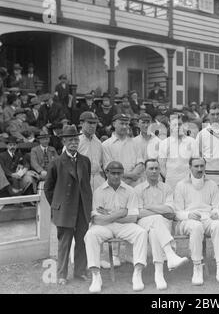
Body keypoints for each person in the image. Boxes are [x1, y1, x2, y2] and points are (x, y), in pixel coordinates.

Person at [84, 161, 148, 293]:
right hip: (104, 227)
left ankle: (137, 274)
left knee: (141, 233)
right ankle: (96, 276)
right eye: (113, 173)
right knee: (90, 235)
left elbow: (132, 217)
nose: (116, 176)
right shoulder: (98, 191)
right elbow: (97, 219)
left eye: (119, 173)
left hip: (124, 225)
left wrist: (108, 214)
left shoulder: (130, 191)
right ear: (106, 173)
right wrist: (120, 213)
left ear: (122, 174)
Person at [44, 125, 92, 285]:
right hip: (64, 210)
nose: (74, 142)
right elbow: (48, 188)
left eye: (76, 139)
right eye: (70, 139)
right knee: (64, 243)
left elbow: (86, 185)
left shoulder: (85, 161)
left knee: (82, 242)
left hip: (82, 209)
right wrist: (57, 205)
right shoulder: (56, 162)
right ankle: (61, 275)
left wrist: (87, 205)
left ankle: (80, 272)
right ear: (64, 141)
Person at [174, 157, 219, 288]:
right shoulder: (181, 185)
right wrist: (189, 214)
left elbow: (218, 206)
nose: (199, 169)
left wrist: (217, 213)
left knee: (217, 225)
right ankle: (197, 267)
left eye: (202, 166)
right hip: (187, 221)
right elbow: (176, 212)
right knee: (196, 226)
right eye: (196, 166)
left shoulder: (211, 184)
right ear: (190, 167)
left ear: (205, 167)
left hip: (207, 218)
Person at [134, 159, 188, 290]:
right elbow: (138, 213)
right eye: (151, 168)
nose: (154, 171)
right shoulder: (138, 189)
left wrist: (149, 207)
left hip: (162, 225)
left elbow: (169, 210)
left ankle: (159, 273)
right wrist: (159, 210)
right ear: (145, 171)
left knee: (154, 232)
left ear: (159, 170)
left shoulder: (167, 188)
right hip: (143, 223)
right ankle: (169, 254)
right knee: (157, 218)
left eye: (156, 168)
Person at [102, 114, 145, 189]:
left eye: (126, 124)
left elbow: (140, 164)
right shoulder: (106, 145)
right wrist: (131, 176)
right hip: (116, 187)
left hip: (135, 187)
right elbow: (108, 169)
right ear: (114, 124)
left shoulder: (135, 143)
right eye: (122, 123)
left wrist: (129, 179)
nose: (125, 126)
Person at [159, 115, 198, 189]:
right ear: (170, 125)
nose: (177, 127)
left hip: (189, 183)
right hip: (171, 184)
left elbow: (196, 163)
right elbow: (161, 166)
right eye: (174, 125)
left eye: (179, 124)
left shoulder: (192, 142)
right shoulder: (164, 143)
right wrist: (170, 177)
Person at [78, 111, 105, 191]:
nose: (93, 126)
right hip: (82, 178)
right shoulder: (75, 141)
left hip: (97, 179)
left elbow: (101, 163)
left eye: (95, 123)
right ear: (81, 123)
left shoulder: (98, 142)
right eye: (89, 123)